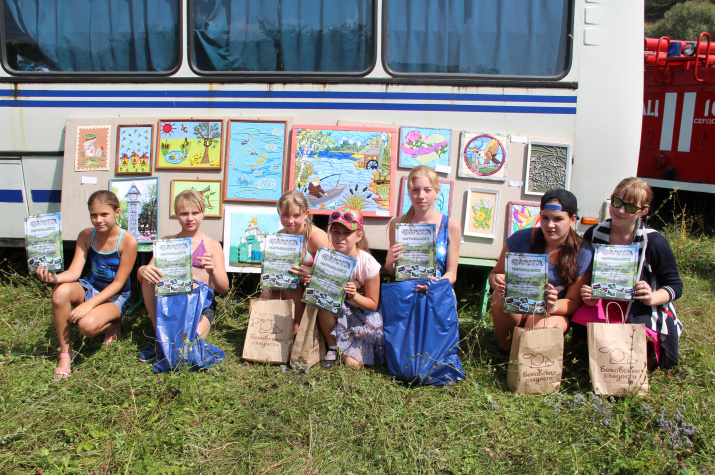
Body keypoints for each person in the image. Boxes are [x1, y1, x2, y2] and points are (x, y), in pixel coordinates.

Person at [572, 177, 683, 369]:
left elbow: (676, 286)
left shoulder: (654, 242)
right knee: (578, 320)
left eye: (631, 207)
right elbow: (586, 274)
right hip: (605, 303)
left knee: (636, 344)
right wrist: (589, 294)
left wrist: (651, 296)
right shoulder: (595, 233)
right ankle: (606, 350)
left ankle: (638, 352)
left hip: (642, 308)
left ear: (643, 212)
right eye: (617, 202)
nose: (621, 210)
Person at [35, 190, 137, 379]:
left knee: (86, 327)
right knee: (59, 292)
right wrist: (54, 278)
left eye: (104, 214)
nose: (98, 220)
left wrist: (88, 305)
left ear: (117, 212)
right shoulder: (86, 235)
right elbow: (74, 272)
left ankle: (113, 323)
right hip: (90, 286)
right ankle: (66, 353)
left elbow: (118, 283)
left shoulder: (128, 241)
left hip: (116, 296)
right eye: (94, 215)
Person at [489, 189, 593, 352]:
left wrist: (551, 306)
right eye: (545, 218)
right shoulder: (520, 239)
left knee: (538, 326)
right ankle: (505, 351)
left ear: (573, 220)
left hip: (554, 312)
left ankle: (527, 357)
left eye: (558, 219)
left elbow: (573, 302)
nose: (550, 225)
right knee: (499, 297)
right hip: (519, 304)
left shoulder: (583, 252)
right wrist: (496, 280)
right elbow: (495, 273)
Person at [137, 190, 229, 363]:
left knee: (188, 344)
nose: (190, 218)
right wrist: (142, 270)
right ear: (176, 215)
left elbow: (223, 289)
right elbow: (147, 273)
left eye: (195, 213)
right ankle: (160, 338)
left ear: (203, 213)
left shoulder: (212, 245)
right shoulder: (167, 241)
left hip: (201, 306)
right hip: (171, 303)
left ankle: (169, 338)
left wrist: (213, 271)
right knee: (148, 279)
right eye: (184, 213)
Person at [310, 206, 383, 368]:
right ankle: (332, 347)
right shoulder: (327, 258)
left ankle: (348, 346)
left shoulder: (368, 264)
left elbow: (373, 305)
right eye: (335, 232)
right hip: (337, 309)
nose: (340, 237)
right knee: (324, 303)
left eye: (347, 233)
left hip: (362, 314)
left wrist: (354, 295)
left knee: (352, 364)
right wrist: (312, 280)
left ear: (359, 236)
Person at [260, 189, 330, 334]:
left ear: (306, 214)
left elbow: (335, 271)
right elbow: (275, 268)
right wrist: (273, 281)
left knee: (293, 287)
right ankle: (266, 335)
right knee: (267, 294)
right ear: (279, 214)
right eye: (285, 215)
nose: (290, 220)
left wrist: (312, 272)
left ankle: (295, 333)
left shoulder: (315, 236)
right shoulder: (280, 235)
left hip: (315, 287)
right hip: (291, 286)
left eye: (296, 215)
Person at [385, 165, 461, 287]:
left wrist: (435, 284)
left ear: (437, 192)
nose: (421, 196)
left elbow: (452, 273)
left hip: (436, 294)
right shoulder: (397, 224)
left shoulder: (451, 226)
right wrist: (389, 263)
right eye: (415, 190)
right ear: (409, 192)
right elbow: (394, 272)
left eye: (427, 190)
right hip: (407, 294)